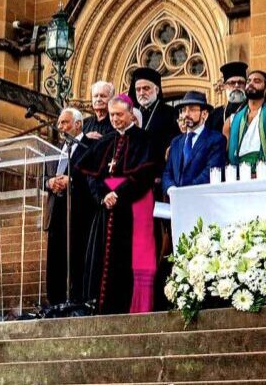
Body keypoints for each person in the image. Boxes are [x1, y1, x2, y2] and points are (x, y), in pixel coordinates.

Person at [81, 95, 157, 314]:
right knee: (102, 259)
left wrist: (119, 194)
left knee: (129, 258)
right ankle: (100, 307)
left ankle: (129, 308)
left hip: (133, 207)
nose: (114, 119)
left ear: (131, 114)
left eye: (119, 115)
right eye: (112, 115)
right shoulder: (105, 141)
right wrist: (103, 195)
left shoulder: (144, 139)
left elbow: (145, 174)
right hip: (106, 209)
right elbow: (91, 175)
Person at [44, 108, 94, 306]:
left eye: (65, 122)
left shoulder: (89, 147)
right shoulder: (54, 149)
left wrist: (72, 180)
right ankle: (55, 302)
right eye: (59, 123)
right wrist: (49, 182)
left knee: (76, 259)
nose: (60, 127)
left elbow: (93, 176)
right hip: (55, 212)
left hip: (78, 213)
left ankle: (77, 301)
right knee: (55, 260)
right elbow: (42, 177)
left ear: (78, 124)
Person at [163, 91, 227, 192]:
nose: (186, 114)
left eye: (192, 109)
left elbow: (211, 171)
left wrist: (186, 191)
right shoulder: (176, 142)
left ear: (204, 114)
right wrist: (171, 188)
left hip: (202, 197)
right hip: (176, 198)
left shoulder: (216, 139)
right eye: (184, 110)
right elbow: (167, 173)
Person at [223, 70, 266, 169]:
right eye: (248, 81)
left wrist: (262, 172)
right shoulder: (230, 121)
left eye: (257, 81)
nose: (251, 84)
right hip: (237, 173)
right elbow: (223, 154)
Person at [131, 67, 180, 171]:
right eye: (138, 89)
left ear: (156, 90)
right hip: (134, 169)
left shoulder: (171, 113)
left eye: (146, 88)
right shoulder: (132, 115)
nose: (141, 93)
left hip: (160, 169)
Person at [206, 61, 248, 134]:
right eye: (232, 83)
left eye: (241, 82)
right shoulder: (215, 114)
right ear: (225, 86)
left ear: (246, 85)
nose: (237, 85)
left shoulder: (253, 110)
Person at [82, 81, 116, 145]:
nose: (98, 99)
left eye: (103, 96)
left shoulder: (116, 123)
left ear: (111, 99)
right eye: (95, 96)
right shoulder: (84, 123)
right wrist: (84, 138)